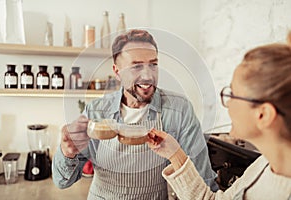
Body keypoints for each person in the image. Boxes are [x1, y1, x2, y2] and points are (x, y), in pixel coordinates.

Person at [52, 29, 218, 199]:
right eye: (136, 66)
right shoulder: (96, 111)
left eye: (153, 64)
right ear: (117, 72)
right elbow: (62, 181)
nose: (147, 75)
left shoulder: (179, 110)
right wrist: (67, 151)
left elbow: (202, 182)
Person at [147, 32, 291, 200]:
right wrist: (175, 154)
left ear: (263, 114)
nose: (228, 103)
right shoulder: (264, 166)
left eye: (234, 95)